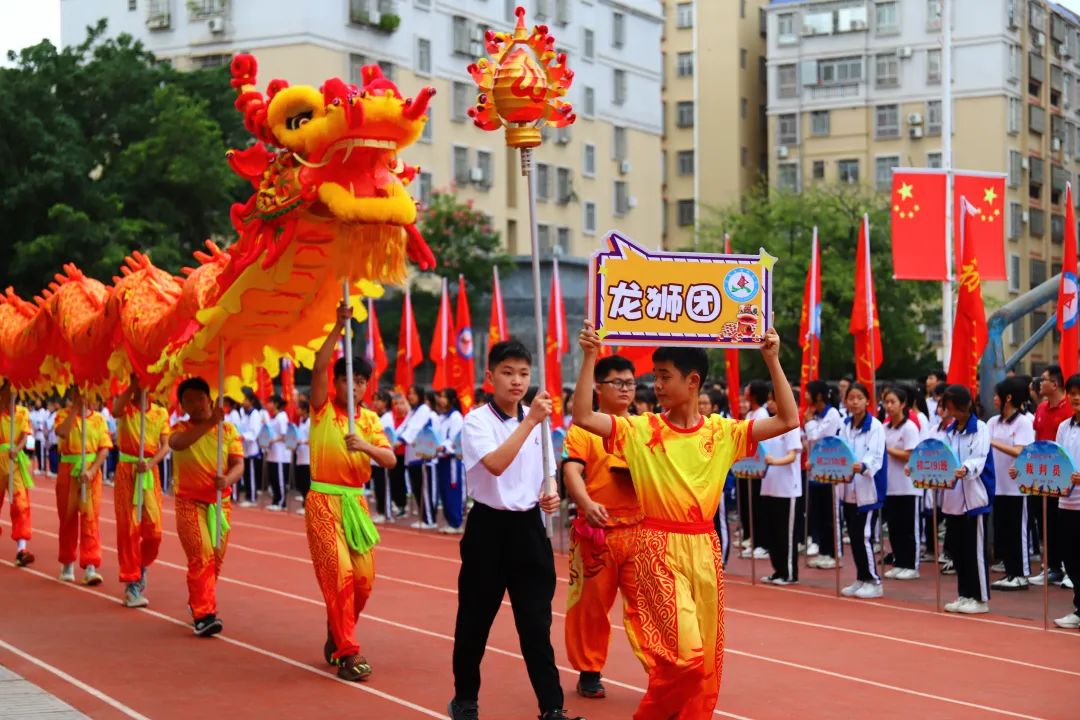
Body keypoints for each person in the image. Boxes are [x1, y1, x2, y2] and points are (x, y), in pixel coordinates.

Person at [571, 322, 797, 720]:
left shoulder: (723, 432)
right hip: (657, 548)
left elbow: (787, 421)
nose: (655, 385)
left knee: (705, 664)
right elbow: (584, 417)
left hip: (705, 549)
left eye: (664, 376)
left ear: (692, 382)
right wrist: (590, 356)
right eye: (654, 376)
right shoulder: (639, 430)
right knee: (687, 656)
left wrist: (772, 358)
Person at [449, 340, 582, 720]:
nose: (517, 381)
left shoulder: (537, 419)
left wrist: (551, 491)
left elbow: (547, 467)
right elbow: (495, 464)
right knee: (475, 620)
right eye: (508, 373)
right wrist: (530, 421)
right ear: (490, 377)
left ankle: (552, 707)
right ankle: (465, 699)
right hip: (488, 529)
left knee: (535, 625)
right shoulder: (476, 421)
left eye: (524, 373)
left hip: (528, 528)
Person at [307, 303, 397, 681]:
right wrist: (336, 327)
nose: (354, 386)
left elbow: (390, 459)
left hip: (355, 503)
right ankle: (348, 652)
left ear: (365, 386)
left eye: (360, 381)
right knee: (340, 573)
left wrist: (365, 447)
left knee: (363, 579)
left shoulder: (371, 420)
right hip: (323, 501)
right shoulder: (322, 408)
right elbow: (317, 366)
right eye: (347, 379)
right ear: (337, 383)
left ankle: (337, 628)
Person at [562, 354, 647, 699]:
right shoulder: (584, 428)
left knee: (648, 606)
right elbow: (571, 471)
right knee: (591, 607)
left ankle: (661, 671)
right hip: (597, 533)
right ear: (599, 387)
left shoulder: (644, 427)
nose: (626, 389)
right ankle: (589, 670)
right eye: (619, 383)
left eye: (631, 383)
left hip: (640, 532)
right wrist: (586, 503)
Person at [168, 377, 244, 636]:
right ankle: (204, 614)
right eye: (188, 400)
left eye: (199, 398)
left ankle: (199, 601)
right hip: (189, 503)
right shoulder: (179, 428)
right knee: (201, 555)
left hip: (220, 505)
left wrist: (227, 480)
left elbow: (238, 464)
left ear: (209, 399)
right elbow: (177, 444)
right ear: (182, 406)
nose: (195, 404)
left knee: (215, 561)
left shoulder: (228, 431)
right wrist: (211, 422)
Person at [111, 377, 171, 608]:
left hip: (149, 472)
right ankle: (131, 583)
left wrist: (151, 462)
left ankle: (141, 566)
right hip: (127, 470)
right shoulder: (126, 407)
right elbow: (115, 411)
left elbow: (165, 444)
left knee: (154, 531)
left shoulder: (160, 413)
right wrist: (134, 385)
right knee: (128, 528)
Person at [939, 384, 994, 614]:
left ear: (966, 406)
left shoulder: (979, 428)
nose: (953, 413)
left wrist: (965, 468)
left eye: (956, 408)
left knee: (975, 550)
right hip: (953, 498)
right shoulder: (950, 431)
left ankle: (980, 597)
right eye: (949, 408)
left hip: (974, 496)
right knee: (959, 550)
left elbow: (979, 457)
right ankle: (964, 594)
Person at [54, 389, 113, 585]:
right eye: (77, 394)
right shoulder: (62, 414)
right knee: (67, 517)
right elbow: (61, 432)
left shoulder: (99, 420)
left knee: (90, 518)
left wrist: (92, 470)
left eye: (85, 394)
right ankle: (68, 562)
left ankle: (90, 565)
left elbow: (104, 449)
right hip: (68, 470)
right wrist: (74, 411)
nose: (81, 397)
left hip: (91, 473)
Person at [837, 383, 886, 599]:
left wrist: (863, 465)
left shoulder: (875, 426)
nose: (855, 402)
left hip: (868, 490)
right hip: (848, 489)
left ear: (867, 401)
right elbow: (837, 449)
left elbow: (875, 456)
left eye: (859, 398)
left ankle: (874, 580)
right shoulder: (845, 425)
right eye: (851, 398)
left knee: (865, 536)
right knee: (855, 537)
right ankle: (861, 577)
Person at [988, 377, 1036, 591]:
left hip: (1018, 488)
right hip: (998, 486)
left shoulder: (1024, 422)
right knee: (1003, 531)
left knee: (1018, 531)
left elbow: (1021, 450)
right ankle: (1009, 571)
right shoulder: (992, 422)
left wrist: (993, 443)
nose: (994, 399)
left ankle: (1021, 574)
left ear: (1008, 397)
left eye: (997, 395)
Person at [1045, 374, 1080, 629]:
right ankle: (1079, 609)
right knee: (1070, 558)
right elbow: (1055, 460)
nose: (1076, 397)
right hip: (1065, 502)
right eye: (1073, 392)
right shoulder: (1064, 427)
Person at [1031, 365, 1071, 585]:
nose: (1039, 383)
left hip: (1063, 479)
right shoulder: (1041, 409)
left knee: (1063, 524)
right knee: (1045, 523)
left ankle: (1067, 567)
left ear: (1054, 384)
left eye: (1043, 379)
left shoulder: (1069, 411)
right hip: (1041, 477)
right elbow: (1037, 440)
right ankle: (1053, 567)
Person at [760, 389, 802, 585]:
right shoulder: (769, 425)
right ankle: (777, 570)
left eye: (773, 400)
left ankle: (789, 573)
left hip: (787, 488)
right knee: (771, 531)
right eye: (769, 400)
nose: (770, 404)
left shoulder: (791, 426)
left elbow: (793, 455)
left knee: (786, 533)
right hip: (769, 485)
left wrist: (774, 462)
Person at [881, 386, 922, 581]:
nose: (888, 406)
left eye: (892, 402)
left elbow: (910, 455)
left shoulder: (909, 428)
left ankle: (911, 565)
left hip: (908, 486)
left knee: (908, 528)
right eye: (886, 402)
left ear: (903, 404)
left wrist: (887, 449)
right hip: (890, 486)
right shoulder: (884, 427)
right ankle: (899, 562)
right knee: (894, 528)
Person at [804, 380, 842, 570]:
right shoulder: (816, 415)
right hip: (815, 471)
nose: (805, 396)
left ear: (818, 395)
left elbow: (818, 437)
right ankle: (823, 551)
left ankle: (834, 553)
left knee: (830, 514)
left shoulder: (832, 414)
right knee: (818, 514)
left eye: (808, 393)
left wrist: (809, 422)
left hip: (830, 471)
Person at [0, 383, 34, 566]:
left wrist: (17, 449)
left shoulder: (22, 412)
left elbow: (25, 436)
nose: (12, 392)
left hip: (15, 463)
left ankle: (21, 549)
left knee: (21, 505)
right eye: (8, 388)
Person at [739, 380, 770, 560]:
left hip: (758, 468)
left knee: (759, 507)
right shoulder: (750, 412)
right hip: (746, 466)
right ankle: (752, 539)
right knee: (748, 505)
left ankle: (762, 543)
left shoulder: (762, 413)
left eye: (748, 389)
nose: (745, 391)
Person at [435, 388, 466, 534]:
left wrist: (444, 447)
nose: (441, 400)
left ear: (452, 399)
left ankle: (456, 521)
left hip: (452, 459)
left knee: (452, 489)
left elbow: (455, 438)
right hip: (441, 458)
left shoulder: (456, 417)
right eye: (440, 397)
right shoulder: (442, 417)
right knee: (443, 489)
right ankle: (449, 520)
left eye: (444, 397)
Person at [263, 394, 291, 511]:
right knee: (273, 478)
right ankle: (275, 500)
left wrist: (272, 440)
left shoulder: (282, 416)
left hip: (280, 454)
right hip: (272, 453)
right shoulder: (273, 417)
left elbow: (285, 435)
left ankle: (281, 502)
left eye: (270, 402)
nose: (268, 405)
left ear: (276, 404)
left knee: (279, 478)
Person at [294, 400, 311, 514]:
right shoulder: (301, 421)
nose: (297, 410)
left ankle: (308, 506)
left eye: (299, 408)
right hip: (300, 455)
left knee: (307, 482)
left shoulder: (310, 422)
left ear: (305, 410)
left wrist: (303, 442)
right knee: (300, 482)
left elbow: (313, 438)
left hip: (307, 457)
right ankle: (304, 503)